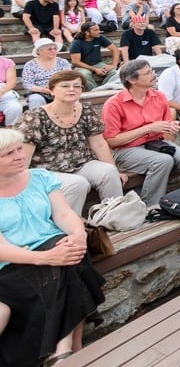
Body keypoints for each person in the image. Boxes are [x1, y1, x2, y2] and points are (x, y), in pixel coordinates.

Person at [0, 128, 106, 367]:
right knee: (69, 264)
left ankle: (63, 351)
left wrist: (78, 235)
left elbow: (64, 213)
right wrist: (46, 257)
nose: (19, 156)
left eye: (19, 149)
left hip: (53, 245)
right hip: (14, 261)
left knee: (70, 253)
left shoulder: (40, 177)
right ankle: (68, 350)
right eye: (8, 153)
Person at [16, 70, 125, 215]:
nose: (72, 89)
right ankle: (71, 229)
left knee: (109, 171)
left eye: (77, 86)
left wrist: (114, 168)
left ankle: (116, 216)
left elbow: (98, 144)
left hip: (81, 163)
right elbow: (24, 155)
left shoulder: (86, 109)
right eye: (65, 86)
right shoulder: (35, 116)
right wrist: (20, 186)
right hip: (48, 170)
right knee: (78, 183)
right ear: (52, 90)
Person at [102, 60, 180, 207]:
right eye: (147, 73)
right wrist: (149, 128)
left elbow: (164, 126)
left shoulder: (159, 96)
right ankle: (151, 206)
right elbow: (111, 141)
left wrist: (170, 127)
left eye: (152, 71)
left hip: (156, 143)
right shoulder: (114, 104)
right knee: (163, 161)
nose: (153, 75)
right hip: (125, 150)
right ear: (131, 80)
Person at [69, 22, 120, 91]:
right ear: (87, 32)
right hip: (81, 66)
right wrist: (95, 69)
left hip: (97, 64)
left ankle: (102, 89)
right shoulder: (76, 43)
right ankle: (94, 91)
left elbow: (115, 50)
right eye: (96, 30)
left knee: (114, 72)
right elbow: (76, 62)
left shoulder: (100, 37)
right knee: (84, 75)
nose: (99, 31)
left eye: (98, 29)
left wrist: (114, 65)